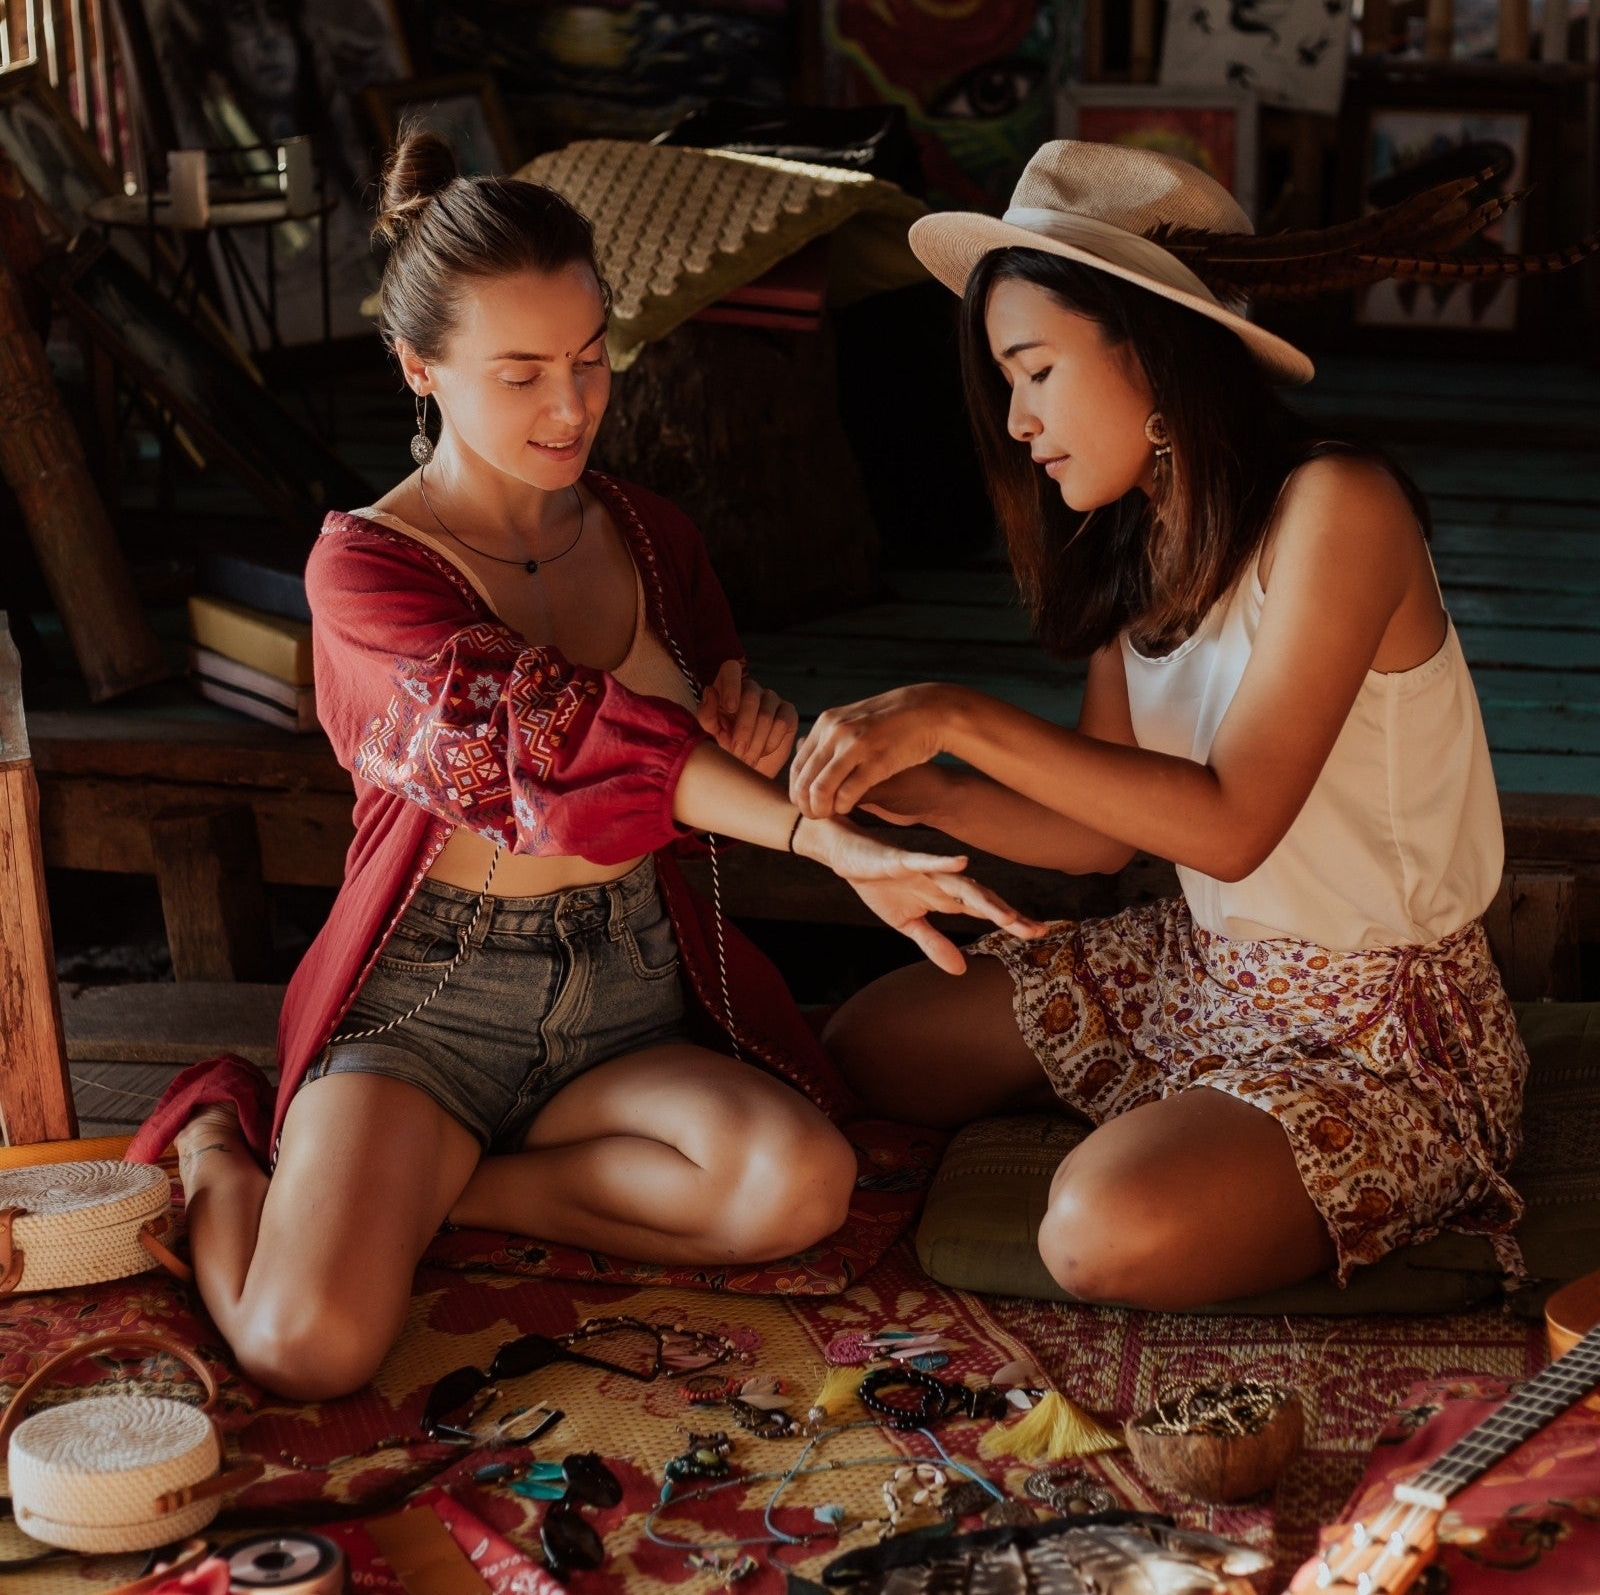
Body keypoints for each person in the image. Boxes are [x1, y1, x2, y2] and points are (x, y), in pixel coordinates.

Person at [129, 131, 1038, 1400]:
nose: (571, 407)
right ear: (420, 367)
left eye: (591, 357)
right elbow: (553, 739)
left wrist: (749, 731)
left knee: (801, 1183)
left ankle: (436, 1193)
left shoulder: (653, 535)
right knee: (303, 1350)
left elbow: (690, 742)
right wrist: (820, 837)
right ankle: (228, 1143)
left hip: (625, 985)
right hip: (432, 1005)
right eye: (520, 374)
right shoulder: (365, 569)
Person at [792, 140, 1595, 1311]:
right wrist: (918, 786)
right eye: (1005, 384)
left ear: (1153, 351)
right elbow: (1102, 833)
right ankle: (1198, 1114)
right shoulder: (1146, 543)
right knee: (873, 1044)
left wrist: (953, 711)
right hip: (1202, 972)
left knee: (1102, 1230)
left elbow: (1229, 828)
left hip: (1380, 1033)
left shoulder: (1338, 507)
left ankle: (1220, 1143)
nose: (1016, 422)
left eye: (1034, 371)